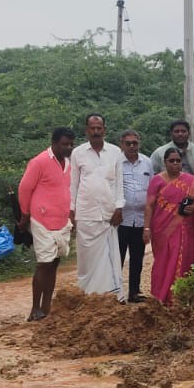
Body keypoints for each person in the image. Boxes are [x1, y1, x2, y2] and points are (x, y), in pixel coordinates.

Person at [18, 127, 74, 321]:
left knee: (55, 263)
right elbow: (24, 188)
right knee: (44, 264)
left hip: (62, 221)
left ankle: (46, 307)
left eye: (70, 144)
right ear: (54, 142)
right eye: (64, 144)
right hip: (41, 220)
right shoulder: (39, 161)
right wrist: (24, 215)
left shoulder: (68, 164)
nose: (68, 147)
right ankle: (34, 309)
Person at [69, 113, 124, 302]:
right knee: (86, 260)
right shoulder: (77, 153)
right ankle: (87, 297)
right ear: (86, 131)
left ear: (104, 130)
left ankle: (113, 296)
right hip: (85, 213)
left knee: (110, 258)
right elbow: (73, 184)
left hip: (109, 214)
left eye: (99, 128)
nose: (95, 131)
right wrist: (72, 210)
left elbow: (119, 182)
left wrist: (119, 208)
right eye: (92, 128)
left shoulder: (116, 152)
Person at [143, 147, 194, 304]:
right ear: (165, 162)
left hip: (183, 228)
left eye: (178, 161)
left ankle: (178, 297)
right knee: (162, 261)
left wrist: (193, 207)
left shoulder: (191, 181)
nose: (175, 164)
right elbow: (149, 205)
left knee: (182, 260)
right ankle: (160, 295)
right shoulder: (157, 180)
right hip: (161, 228)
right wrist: (146, 228)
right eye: (171, 161)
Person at [117, 130, 154, 302]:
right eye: (128, 143)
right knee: (118, 258)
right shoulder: (116, 163)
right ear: (121, 144)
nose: (132, 146)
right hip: (120, 220)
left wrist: (149, 223)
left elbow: (152, 191)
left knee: (137, 258)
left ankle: (134, 292)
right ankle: (116, 292)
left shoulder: (147, 162)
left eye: (135, 143)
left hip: (140, 219)